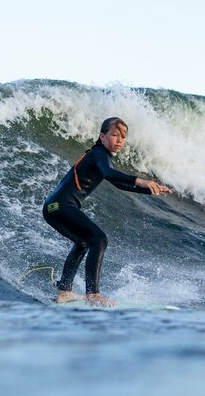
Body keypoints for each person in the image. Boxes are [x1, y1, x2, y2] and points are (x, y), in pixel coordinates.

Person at [42, 117, 172, 307]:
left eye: (123, 137)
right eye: (114, 135)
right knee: (99, 239)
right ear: (102, 137)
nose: (119, 141)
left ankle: (64, 291)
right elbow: (110, 174)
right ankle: (93, 294)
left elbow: (118, 183)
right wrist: (141, 181)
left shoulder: (100, 156)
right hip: (59, 206)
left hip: (54, 206)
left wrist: (150, 189)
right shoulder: (99, 154)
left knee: (84, 242)